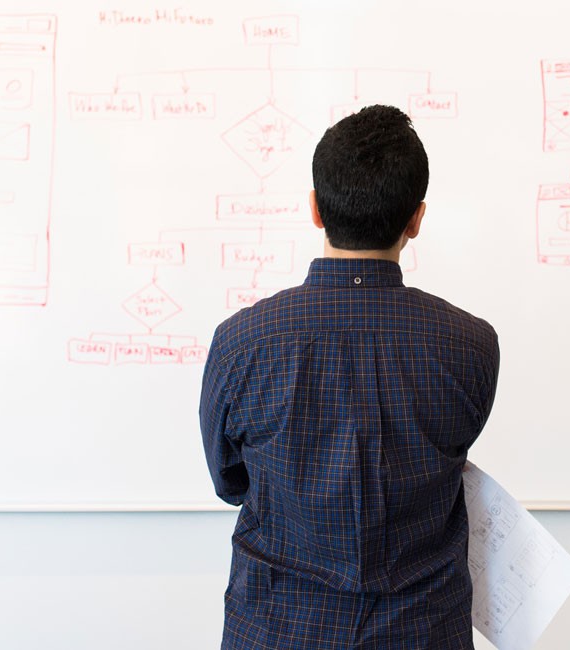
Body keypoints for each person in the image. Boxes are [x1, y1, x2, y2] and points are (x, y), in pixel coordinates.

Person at [200, 104, 500, 649]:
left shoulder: (242, 343)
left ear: (315, 209)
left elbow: (230, 482)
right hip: (421, 632)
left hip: (277, 629)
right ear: (416, 219)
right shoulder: (471, 346)